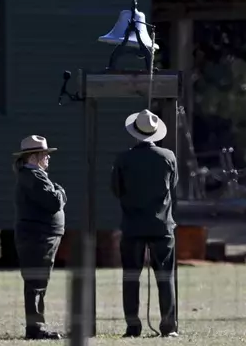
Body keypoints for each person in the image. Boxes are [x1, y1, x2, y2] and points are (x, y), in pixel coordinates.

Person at [110, 109, 179, 338]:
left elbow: (116, 190)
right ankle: (168, 327)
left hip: (133, 226)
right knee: (165, 277)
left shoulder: (123, 159)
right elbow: (174, 184)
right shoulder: (168, 156)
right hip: (162, 226)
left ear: (135, 132)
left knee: (131, 277)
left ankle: (133, 327)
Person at [13, 135, 67, 340]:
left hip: (41, 236)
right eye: (45, 154)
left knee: (39, 280)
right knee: (36, 280)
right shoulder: (33, 177)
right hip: (38, 237)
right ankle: (35, 328)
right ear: (33, 157)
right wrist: (61, 192)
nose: (48, 158)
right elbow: (53, 202)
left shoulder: (34, 176)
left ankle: (36, 325)